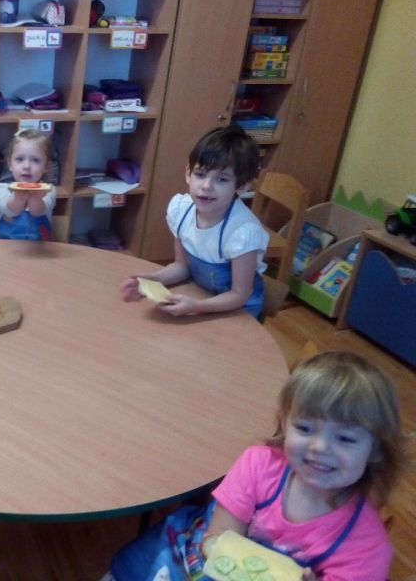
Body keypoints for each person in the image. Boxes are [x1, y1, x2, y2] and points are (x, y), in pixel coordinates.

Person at [104, 351, 405, 581]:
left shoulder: (366, 547)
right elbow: (219, 540)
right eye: (304, 428)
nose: (319, 448)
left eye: (345, 438)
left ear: (376, 449)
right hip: (199, 552)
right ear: (283, 423)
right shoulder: (259, 463)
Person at [121, 125, 268, 318]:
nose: (206, 186)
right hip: (201, 296)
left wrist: (197, 306)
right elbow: (182, 267)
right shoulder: (182, 211)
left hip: (239, 312)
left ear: (241, 187)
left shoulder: (243, 232)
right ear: (188, 173)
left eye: (222, 179)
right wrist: (154, 279)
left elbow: (239, 295)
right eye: (200, 174)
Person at [0, 129, 57, 240]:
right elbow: (9, 210)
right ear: (10, 164)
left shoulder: (49, 190)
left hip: (39, 248)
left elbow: (38, 212)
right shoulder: (0, 189)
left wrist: (36, 199)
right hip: (4, 247)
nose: (26, 166)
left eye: (35, 160)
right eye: (19, 159)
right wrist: (18, 199)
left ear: (46, 166)